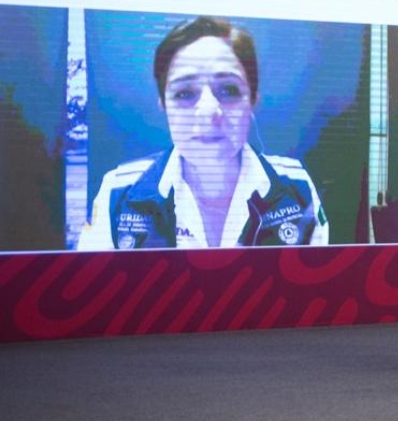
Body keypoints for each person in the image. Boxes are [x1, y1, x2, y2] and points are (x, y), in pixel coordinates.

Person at [78, 16, 328, 250]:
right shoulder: (118, 191)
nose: (209, 111)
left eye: (229, 90)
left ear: (252, 100)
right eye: (185, 93)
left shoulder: (297, 186)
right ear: (164, 106)